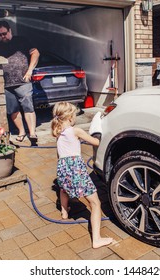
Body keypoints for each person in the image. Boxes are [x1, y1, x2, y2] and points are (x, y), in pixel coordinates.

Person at [51, 102, 113, 249]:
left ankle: (64, 212)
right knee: (95, 203)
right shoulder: (76, 131)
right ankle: (96, 240)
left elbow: (59, 154)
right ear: (70, 117)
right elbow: (96, 142)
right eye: (74, 115)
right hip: (75, 170)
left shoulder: (58, 132)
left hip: (63, 167)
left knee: (63, 189)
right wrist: (96, 128)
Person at [0, 20, 39, 143]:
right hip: (7, 85)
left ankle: (32, 133)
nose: (2, 36)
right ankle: (22, 131)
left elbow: (35, 53)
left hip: (23, 82)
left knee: (28, 107)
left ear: (10, 30)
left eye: (4, 33)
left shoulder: (21, 41)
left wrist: (29, 71)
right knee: (13, 110)